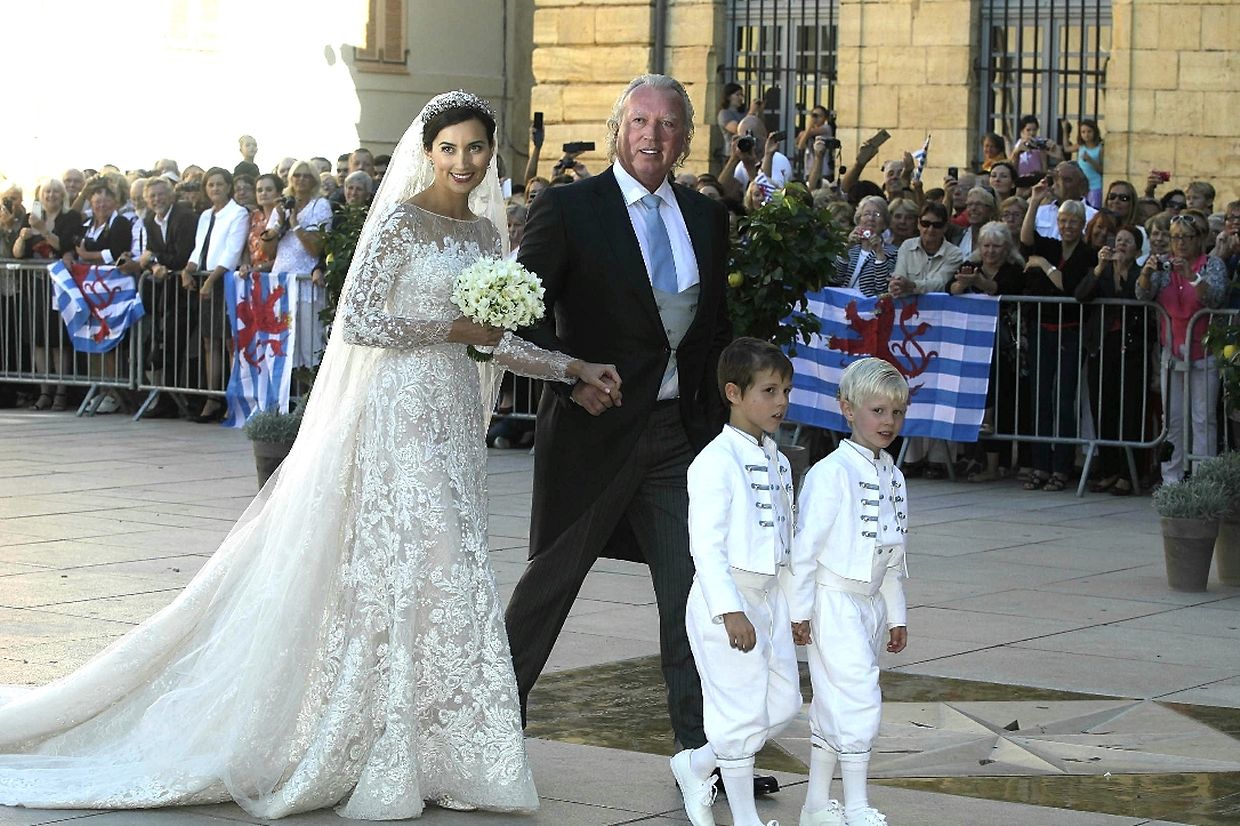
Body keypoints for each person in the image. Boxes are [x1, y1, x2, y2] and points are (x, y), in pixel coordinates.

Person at [0, 90, 620, 820]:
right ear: (428, 151)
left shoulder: (486, 236)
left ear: (492, 153)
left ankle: (444, 751)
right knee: (432, 558)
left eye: (476, 147)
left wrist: (570, 368)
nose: (463, 161)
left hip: (453, 417)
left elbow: (494, 340)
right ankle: (382, 743)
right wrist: (451, 328)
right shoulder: (399, 221)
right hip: (398, 411)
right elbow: (360, 320)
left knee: (443, 570)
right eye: (449, 148)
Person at [503, 73, 759, 794]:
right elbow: (519, 313)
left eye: (668, 123)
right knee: (547, 590)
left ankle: (703, 757)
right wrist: (569, 375)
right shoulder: (569, 208)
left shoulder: (706, 217)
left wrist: (734, 418)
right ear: (619, 130)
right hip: (593, 435)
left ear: (685, 138)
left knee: (694, 597)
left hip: (680, 438)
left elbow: (713, 329)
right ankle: (481, 732)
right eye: (640, 121)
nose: (653, 135)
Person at [670, 338, 801, 826]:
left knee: (784, 704)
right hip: (725, 603)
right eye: (769, 391)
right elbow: (705, 546)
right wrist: (729, 610)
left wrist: (797, 608)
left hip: (770, 599)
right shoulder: (714, 460)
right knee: (739, 714)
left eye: (785, 391)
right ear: (733, 393)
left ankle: (696, 764)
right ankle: (746, 820)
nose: (781, 402)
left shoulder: (780, 461)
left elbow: (787, 543)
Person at [790, 357, 910, 826]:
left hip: (869, 603)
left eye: (896, 413)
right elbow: (805, 550)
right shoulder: (831, 472)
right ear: (847, 409)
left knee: (832, 701)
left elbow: (894, 555)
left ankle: (816, 804)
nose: (888, 422)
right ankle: (857, 804)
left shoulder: (893, 475)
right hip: (833, 601)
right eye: (877, 411)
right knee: (859, 696)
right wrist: (800, 609)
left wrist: (896, 615)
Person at [1134, 210, 1229, 484]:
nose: (1180, 243)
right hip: (1172, 353)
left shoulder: (1211, 265)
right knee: (1172, 420)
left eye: (1186, 237)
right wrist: (1146, 274)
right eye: (1175, 238)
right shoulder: (1164, 264)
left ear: (1199, 239)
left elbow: (1215, 298)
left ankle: (1202, 479)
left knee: (1202, 419)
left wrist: (1192, 276)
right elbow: (1142, 295)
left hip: (1204, 353)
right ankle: (1171, 479)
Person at [1020, 181, 1096, 492]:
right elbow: (1027, 240)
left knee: (1064, 400)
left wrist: (1043, 264)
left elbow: (1069, 286)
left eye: (1073, 221)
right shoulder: (1050, 245)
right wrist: (1033, 202)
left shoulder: (1087, 254)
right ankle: (1040, 465)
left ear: (1082, 224)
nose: (1067, 226)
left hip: (1071, 332)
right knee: (1041, 398)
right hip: (1043, 330)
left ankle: (1061, 467)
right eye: (1063, 221)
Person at [951, 221, 1028, 483]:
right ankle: (981, 461)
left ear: (1006, 248)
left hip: (1006, 347)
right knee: (982, 403)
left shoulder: (1014, 269)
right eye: (986, 246)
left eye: (996, 246)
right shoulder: (970, 266)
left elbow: (1003, 289)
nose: (991, 251)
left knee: (1002, 402)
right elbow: (951, 288)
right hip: (975, 346)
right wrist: (961, 285)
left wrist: (978, 282)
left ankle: (1001, 464)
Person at [1076, 224, 1150, 496]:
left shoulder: (1141, 274)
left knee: (1129, 410)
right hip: (1103, 346)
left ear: (1137, 250)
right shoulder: (1102, 271)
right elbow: (1081, 295)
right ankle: (1108, 469)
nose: (1121, 245)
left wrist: (1123, 274)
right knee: (1102, 407)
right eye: (1118, 239)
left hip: (1131, 348)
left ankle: (1129, 473)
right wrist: (1099, 268)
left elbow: (1139, 297)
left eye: (1128, 241)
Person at [183, 168, 249, 423]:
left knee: (231, 342)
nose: (215, 189)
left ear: (229, 186)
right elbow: (199, 249)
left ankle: (233, 399)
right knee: (210, 340)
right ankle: (212, 398)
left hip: (225, 280)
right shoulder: (205, 215)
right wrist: (187, 271)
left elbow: (231, 252)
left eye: (220, 184)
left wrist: (210, 281)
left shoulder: (238, 213)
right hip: (206, 279)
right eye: (210, 185)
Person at [261, 160, 332, 369]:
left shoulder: (320, 205)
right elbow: (267, 251)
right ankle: (287, 390)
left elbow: (316, 248)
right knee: (281, 346)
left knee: (310, 345)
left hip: (307, 285)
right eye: (297, 175)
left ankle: (310, 388)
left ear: (314, 180)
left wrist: (295, 225)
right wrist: (279, 222)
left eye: (306, 175)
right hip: (281, 284)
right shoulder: (282, 206)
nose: (301, 179)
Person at [830, 196, 897, 297]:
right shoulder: (850, 248)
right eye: (866, 214)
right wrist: (846, 249)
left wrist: (879, 254)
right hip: (841, 302)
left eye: (877, 214)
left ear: (884, 223)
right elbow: (835, 279)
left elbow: (883, 289)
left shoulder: (893, 253)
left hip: (869, 305)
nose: (871, 218)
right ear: (859, 220)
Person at [1063, 119, 1104, 207]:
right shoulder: (1081, 146)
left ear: (1095, 132)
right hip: (1081, 186)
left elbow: (1102, 170)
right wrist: (1065, 130)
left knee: (1093, 210)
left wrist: (1090, 160)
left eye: (1089, 131)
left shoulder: (1099, 149)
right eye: (1083, 132)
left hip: (1094, 186)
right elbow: (1067, 148)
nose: (1086, 135)